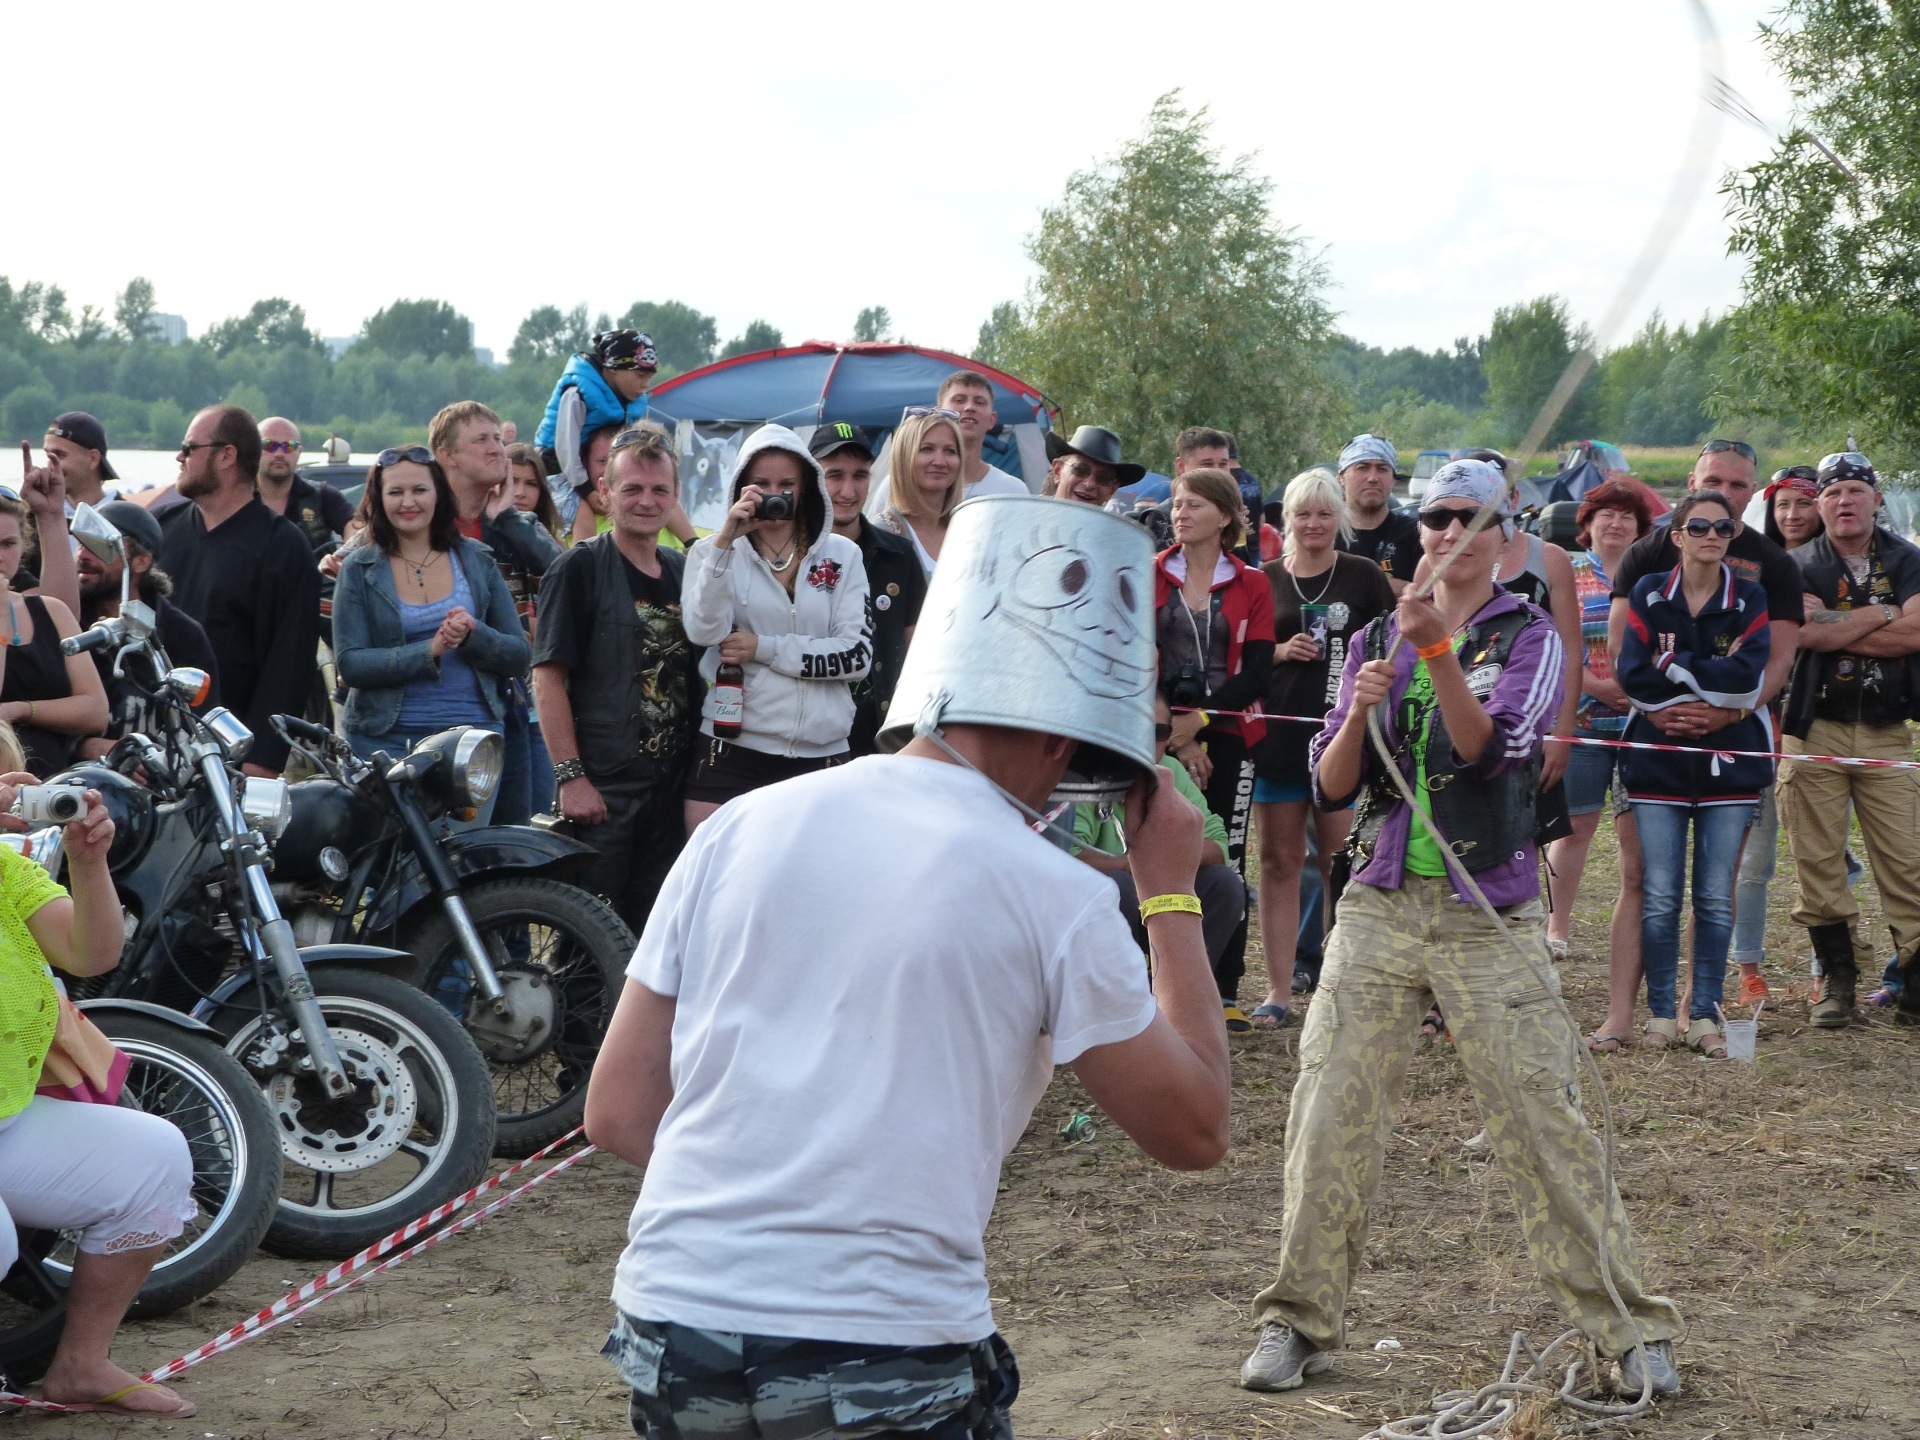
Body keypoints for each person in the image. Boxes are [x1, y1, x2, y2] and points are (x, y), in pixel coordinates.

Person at [583, 495, 1229, 1440]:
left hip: (677, 1317)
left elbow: (618, 1111)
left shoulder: (737, 828)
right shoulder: (1054, 894)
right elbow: (1196, 1128)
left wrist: (775, 1207)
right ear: (1065, 738)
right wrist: (1168, 893)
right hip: (881, 1339)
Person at [1240, 458, 1683, 1401]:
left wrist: (1438, 653)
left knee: (1542, 1121)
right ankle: (1296, 1321)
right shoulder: (1375, 634)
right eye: (1436, 517)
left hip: (1490, 913)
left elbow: (1496, 750)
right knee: (1328, 1112)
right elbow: (1330, 785)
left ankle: (1630, 1330)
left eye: (1470, 518)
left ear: (1505, 539)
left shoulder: (1531, 635)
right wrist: (1358, 711)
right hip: (1379, 904)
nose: (1449, 532)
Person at [0, 752, 199, 1419]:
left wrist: (89, 863)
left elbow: (92, 954)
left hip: (7, 1118)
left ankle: (80, 1365)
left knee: (155, 1156)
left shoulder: (7, 871)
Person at [1614, 490, 1773, 1056]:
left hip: (1733, 762)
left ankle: (1703, 1015)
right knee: (1659, 895)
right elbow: (1632, 673)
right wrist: (1690, 688)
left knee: (1713, 896)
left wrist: (1674, 667)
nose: (1712, 536)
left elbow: (1748, 677)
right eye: (1699, 527)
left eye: (1723, 528)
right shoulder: (1647, 591)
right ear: (1677, 536)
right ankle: (1661, 1015)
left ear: (1733, 536)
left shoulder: (1751, 595)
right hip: (1656, 757)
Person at [533, 424, 702, 934]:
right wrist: (571, 777)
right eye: (632, 488)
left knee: (657, 935)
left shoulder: (683, 570)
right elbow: (547, 680)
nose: (646, 501)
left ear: (675, 495)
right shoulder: (578, 569)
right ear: (605, 491)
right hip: (605, 788)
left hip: (673, 787)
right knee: (591, 939)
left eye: (659, 490)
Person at [1777, 452, 1920, 1027]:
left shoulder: (1907, 559)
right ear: (1820, 504)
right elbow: (1802, 632)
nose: (1844, 501)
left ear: (1875, 499)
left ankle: (1914, 983)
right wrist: (1885, 614)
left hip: (1888, 731)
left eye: (1855, 490)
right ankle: (1838, 982)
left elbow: (1917, 632)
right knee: (1817, 862)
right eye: (1832, 492)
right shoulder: (1795, 564)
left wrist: (1838, 625)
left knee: (1908, 862)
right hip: (1814, 727)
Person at [1251, 468, 1393, 1028]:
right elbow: (1240, 658)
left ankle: (1342, 982)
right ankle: (1279, 989)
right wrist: (1279, 651)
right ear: (1287, 519)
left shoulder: (1362, 575)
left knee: (1343, 860)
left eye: (1324, 513)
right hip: (1278, 739)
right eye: (1303, 513)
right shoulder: (1263, 579)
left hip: (1344, 739)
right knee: (1279, 861)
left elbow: (1390, 645)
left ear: (1340, 518)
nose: (1313, 523)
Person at [681, 424, 871, 831]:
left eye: (787, 485)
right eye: (761, 485)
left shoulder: (844, 555)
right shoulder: (711, 552)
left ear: (806, 488)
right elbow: (704, 632)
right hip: (732, 749)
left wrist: (761, 647)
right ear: (740, 487)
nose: (774, 496)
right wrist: (725, 544)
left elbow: (857, 657)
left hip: (823, 754)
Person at [1155, 466, 1275, 1031]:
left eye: (1195, 504)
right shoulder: (1151, 573)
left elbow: (1257, 672)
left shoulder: (1253, 582)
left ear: (1225, 516)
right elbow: (1136, 655)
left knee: (1228, 852)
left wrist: (1199, 723)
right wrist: (1175, 737)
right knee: (1158, 844)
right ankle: (1157, 981)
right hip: (1157, 733)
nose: (1181, 513)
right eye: (1177, 503)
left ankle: (1225, 989)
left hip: (1228, 734)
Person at [331, 447, 530, 787]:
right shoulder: (358, 569)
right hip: (383, 740)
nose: (408, 502)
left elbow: (519, 656)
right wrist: (428, 652)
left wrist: (474, 636)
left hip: (472, 743)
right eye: (396, 492)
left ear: (439, 494)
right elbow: (351, 664)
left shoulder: (478, 560)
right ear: (379, 499)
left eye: (420, 490)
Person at [158, 405, 320, 777]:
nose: (180, 457)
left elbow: (290, 663)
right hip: (154, 745)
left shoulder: (283, 546)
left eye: (189, 447)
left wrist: (262, 762)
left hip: (231, 755)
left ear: (227, 455)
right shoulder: (161, 528)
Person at [1552, 482, 1655, 1051]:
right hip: (1585, 720)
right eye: (1605, 516)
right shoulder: (1568, 574)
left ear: (1640, 529)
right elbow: (1555, 642)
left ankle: (1632, 932)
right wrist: (1594, 686)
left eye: (1626, 517)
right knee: (1573, 827)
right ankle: (1557, 926)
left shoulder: (1650, 577)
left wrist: (1635, 691)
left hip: (1641, 726)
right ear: (1587, 526)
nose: (1616, 524)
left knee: (1633, 839)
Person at [430, 401, 565, 829]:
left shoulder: (515, 523)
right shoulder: (417, 522)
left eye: (496, 438)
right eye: (480, 440)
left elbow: (569, 579)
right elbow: (340, 578)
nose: (496, 449)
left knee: (517, 834)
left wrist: (506, 517)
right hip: (442, 703)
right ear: (447, 455)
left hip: (515, 701)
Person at [1073, 693, 1246, 974]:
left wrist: (1161, 862)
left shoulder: (1171, 770)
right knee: (1118, 887)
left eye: (1158, 732)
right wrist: (1134, 865)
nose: (1145, 740)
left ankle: (1184, 984)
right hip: (1094, 905)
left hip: (1159, 891)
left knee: (1223, 884)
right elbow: (1067, 856)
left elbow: (1218, 844)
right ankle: (1120, 988)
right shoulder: (1083, 772)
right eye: (1134, 726)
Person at [74, 501, 221, 759]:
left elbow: (201, 732)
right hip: (74, 778)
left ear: (141, 561)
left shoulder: (181, 634)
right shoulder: (69, 622)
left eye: (99, 546)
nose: (83, 556)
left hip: (160, 777)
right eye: (81, 544)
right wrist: (86, 746)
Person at [815, 422, 925, 756]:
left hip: (880, 741)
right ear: (811, 477)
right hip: (810, 742)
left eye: (860, 476)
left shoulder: (899, 555)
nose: (848, 491)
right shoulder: (789, 555)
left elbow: (917, 655)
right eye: (835, 476)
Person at [0, 491, 108, 776]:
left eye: (8, 544)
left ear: (23, 546)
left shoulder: (52, 611)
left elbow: (96, 712)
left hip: (54, 785)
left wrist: (21, 710)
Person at [535, 329, 659, 528]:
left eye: (649, 377)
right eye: (640, 375)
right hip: (557, 468)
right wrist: (585, 490)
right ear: (613, 368)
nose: (645, 384)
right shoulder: (576, 393)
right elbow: (566, 448)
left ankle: (692, 541)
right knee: (583, 512)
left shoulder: (635, 400)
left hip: (598, 468)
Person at [873, 409, 968, 578]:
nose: (940, 461)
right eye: (927, 449)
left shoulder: (967, 531)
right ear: (903, 457)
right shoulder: (883, 535)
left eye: (950, 451)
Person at [1332, 434, 1419, 594]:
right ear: (1341, 477)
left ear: (1393, 480)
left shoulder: (1415, 535)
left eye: (1382, 469)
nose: (1372, 478)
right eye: (1362, 468)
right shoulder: (1324, 532)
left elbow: (1433, 593)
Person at [256, 417, 356, 552]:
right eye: (269, 445)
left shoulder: (321, 496)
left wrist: (343, 555)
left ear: (299, 452)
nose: (279, 453)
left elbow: (355, 527)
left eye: (288, 446)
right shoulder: (236, 499)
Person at [1040, 425, 1146, 508]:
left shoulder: (1115, 530)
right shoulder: (1031, 517)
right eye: (1080, 470)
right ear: (1058, 471)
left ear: (1112, 490)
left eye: (1103, 478)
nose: (1089, 484)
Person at [41, 411, 116, 511]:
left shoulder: (126, 516)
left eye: (59, 455)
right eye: (48, 456)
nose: (50, 466)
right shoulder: (36, 514)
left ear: (93, 459)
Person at [1761, 465, 1822, 551]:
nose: (1792, 516)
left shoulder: (1838, 557)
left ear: (1821, 507)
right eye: (1783, 505)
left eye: (1803, 503)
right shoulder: (1756, 556)